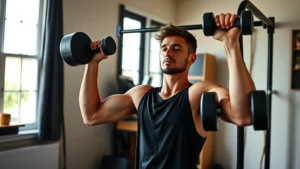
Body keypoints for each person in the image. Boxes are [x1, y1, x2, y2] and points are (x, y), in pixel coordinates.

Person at [79, 13, 255, 169]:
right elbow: (91, 115)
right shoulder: (140, 95)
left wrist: (230, 43)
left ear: (191, 58)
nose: (168, 52)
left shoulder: (197, 93)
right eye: (164, 48)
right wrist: (92, 64)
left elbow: (243, 114)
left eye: (176, 48)